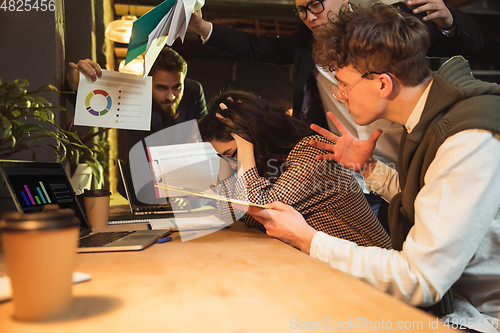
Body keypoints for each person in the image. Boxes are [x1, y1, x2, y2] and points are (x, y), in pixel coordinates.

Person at [243, 3, 500, 332]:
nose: (340, 95)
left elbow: (420, 278)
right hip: (459, 301)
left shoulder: (466, 140)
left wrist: (308, 238)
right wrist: (369, 169)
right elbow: (432, 200)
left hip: (481, 315)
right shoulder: (430, 121)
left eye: (344, 85)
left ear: (383, 84)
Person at [188, 0, 483, 220]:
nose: (309, 17)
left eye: (315, 5)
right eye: (301, 10)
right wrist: (202, 28)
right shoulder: (307, 42)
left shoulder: (385, 26)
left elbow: (426, 273)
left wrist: (449, 22)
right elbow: (256, 46)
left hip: (403, 159)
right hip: (356, 166)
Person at [198, 90, 391, 248]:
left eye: (233, 154)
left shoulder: (312, 154)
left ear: (254, 137)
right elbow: (229, 211)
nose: (232, 165)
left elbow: (260, 210)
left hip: (370, 271)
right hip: (326, 263)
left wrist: (245, 147)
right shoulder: (266, 164)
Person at [66, 47, 207, 201]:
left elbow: (204, 135)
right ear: (147, 81)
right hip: (141, 187)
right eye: (161, 88)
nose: (170, 96)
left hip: (185, 188)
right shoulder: (133, 93)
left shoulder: (193, 91)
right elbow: (88, 100)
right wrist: (74, 81)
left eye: (177, 87)